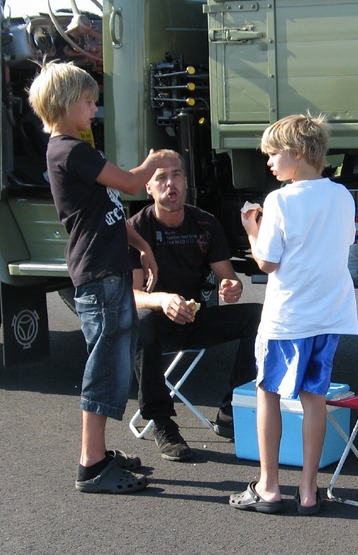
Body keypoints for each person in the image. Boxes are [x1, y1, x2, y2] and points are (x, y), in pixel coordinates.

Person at [28, 61, 169, 493]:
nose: (94, 109)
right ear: (65, 103)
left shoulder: (74, 151)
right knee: (105, 368)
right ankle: (91, 465)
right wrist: (154, 161)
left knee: (113, 363)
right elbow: (129, 184)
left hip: (107, 271)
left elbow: (108, 210)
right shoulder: (72, 151)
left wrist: (142, 247)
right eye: (88, 102)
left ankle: (99, 453)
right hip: (99, 274)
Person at [229, 113, 358, 515]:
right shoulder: (342, 195)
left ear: (297, 152)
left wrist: (252, 229)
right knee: (314, 398)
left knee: (267, 392)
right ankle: (308, 489)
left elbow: (267, 262)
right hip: (330, 313)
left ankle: (268, 486)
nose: (269, 161)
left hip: (288, 315)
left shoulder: (279, 200)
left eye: (273, 153)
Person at [128, 149, 261, 461]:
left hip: (194, 318)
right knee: (142, 321)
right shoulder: (136, 230)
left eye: (176, 175)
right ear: (148, 187)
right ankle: (162, 422)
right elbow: (130, 295)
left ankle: (232, 410)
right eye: (161, 178)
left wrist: (232, 286)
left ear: (186, 182)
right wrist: (162, 300)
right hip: (155, 325)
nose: (170, 183)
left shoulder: (206, 224)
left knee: (260, 316)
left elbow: (228, 277)